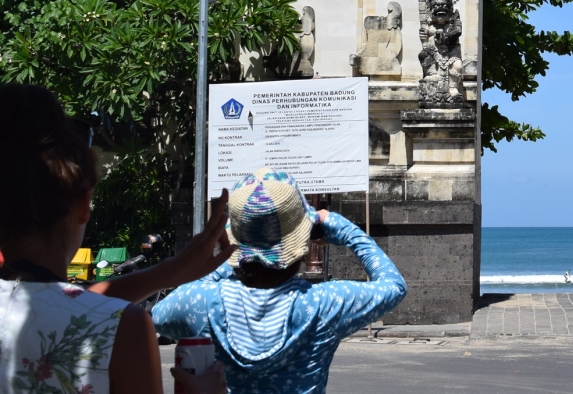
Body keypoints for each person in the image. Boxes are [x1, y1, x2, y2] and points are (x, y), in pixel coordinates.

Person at [0, 84, 233, 394]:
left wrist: (167, 273)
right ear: (83, 205)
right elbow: (71, 309)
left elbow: (57, 301)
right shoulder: (123, 330)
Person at [152, 167, 406, 394]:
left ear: (234, 239)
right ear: (303, 238)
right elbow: (394, 286)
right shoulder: (325, 304)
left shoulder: (200, 302)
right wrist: (347, 231)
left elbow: (159, 316)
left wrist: (226, 260)